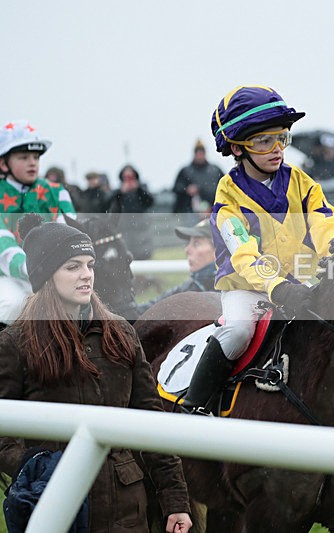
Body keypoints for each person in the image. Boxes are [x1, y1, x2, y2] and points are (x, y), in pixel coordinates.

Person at [0, 214, 193, 532]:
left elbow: (153, 425)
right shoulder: (15, 343)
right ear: (46, 275)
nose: (86, 275)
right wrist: (34, 465)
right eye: (72, 266)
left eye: (89, 264)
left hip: (127, 513)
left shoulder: (121, 333)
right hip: (52, 510)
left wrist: (176, 503)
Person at [180, 84, 334, 414]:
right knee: (238, 331)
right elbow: (243, 254)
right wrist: (277, 286)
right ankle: (195, 406)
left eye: (281, 138)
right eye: (263, 141)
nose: (277, 148)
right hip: (247, 288)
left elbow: (326, 223)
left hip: (299, 281)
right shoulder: (227, 197)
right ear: (238, 148)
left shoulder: (302, 182)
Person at [0, 120, 77, 323]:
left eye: (35, 157)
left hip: (51, 274)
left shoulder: (57, 193)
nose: (32, 162)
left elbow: (68, 237)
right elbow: (4, 248)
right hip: (7, 276)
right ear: (3, 164)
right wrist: (37, 269)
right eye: (23, 157)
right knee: (13, 303)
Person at [136, 218, 216, 314]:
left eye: (196, 243)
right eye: (188, 243)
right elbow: (145, 311)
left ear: (218, 251)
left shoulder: (232, 293)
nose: (187, 249)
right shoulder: (192, 285)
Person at [110, 164, 154, 260]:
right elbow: (111, 205)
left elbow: (150, 202)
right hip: (126, 229)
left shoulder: (141, 189)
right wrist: (121, 192)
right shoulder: (118, 192)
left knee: (143, 254)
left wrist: (138, 189)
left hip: (140, 228)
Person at [172, 140, 224, 214]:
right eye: (198, 153)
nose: (200, 156)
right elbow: (176, 188)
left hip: (213, 211)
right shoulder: (185, 171)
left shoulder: (215, 171)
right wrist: (187, 190)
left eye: (201, 153)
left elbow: (224, 189)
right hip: (190, 213)